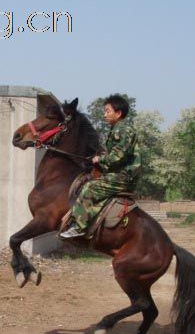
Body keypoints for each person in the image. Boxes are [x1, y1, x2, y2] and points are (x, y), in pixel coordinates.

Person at [60, 94, 140, 239]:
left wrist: (100, 159)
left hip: (124, 177)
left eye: (107, 111)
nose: (104, 115)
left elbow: (118, 156)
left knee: (90, 188)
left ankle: (79, 228)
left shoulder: (124, 130)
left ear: (118, 113)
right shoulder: (116, 129)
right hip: (117, 174)